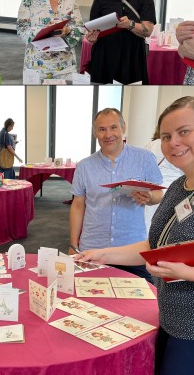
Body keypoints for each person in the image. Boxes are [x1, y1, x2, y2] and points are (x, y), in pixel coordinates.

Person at [79, 96, 194, 375]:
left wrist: (185, 271)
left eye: (184, 132)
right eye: (167, 136)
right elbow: (156, 245)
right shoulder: (182, 184)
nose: (173, 143)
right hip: (174, 314)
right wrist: (103, 254)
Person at [69, 108, 163, 279]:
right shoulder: (84, 166)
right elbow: (78, 205)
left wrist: (149, 198)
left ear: (123, 128)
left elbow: (158, 194)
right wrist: (73, 243)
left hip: (132, 250)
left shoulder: (145, 158)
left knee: (138, 302)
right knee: (89, 301)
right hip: (92, 249)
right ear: (95, 132)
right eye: (102, 129)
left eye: (113, 127)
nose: (108, 134)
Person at [85, 0, 157, 85]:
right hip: (104, 57)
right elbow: (93, 31)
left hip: (133, 57)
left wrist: (130, 24)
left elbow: (148, 30)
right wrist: (91, 38)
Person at [17, 0, 84, 82]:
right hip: (36, 67)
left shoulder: (71, 3)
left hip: (65, 69)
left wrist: (67, 31)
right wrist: (44, 30)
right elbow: (21, 31)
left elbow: (80, 31)